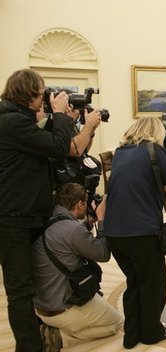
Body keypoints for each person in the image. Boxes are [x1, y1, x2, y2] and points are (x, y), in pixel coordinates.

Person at [0, 68, 73, 351]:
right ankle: (29, 347)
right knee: (20, 291)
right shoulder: (12, 123)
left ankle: (40, 337)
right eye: (41, 93)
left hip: (25, 215)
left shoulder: (18, 120)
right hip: (12, 220)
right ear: (28, 95)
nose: (44, 97)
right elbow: (57, 147)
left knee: (33, 282)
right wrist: (61, 116)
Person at [104, 116, 166, 349]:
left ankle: (132, 335)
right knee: (153, 285)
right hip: (141, 232)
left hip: (115, 234)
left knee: (135, 283)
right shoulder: (153, 150)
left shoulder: (121, 152)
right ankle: (150, 333)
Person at [32, 183, 123, 350]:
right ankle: (58, 337)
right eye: (86, 202)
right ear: (80, 204)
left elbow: (70, 239)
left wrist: (88, 223)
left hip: (41, 305)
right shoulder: (73, 230)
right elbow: (103, 254)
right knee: (116, 323)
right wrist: (102, 219)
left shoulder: (50, 217)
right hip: (61, 309)